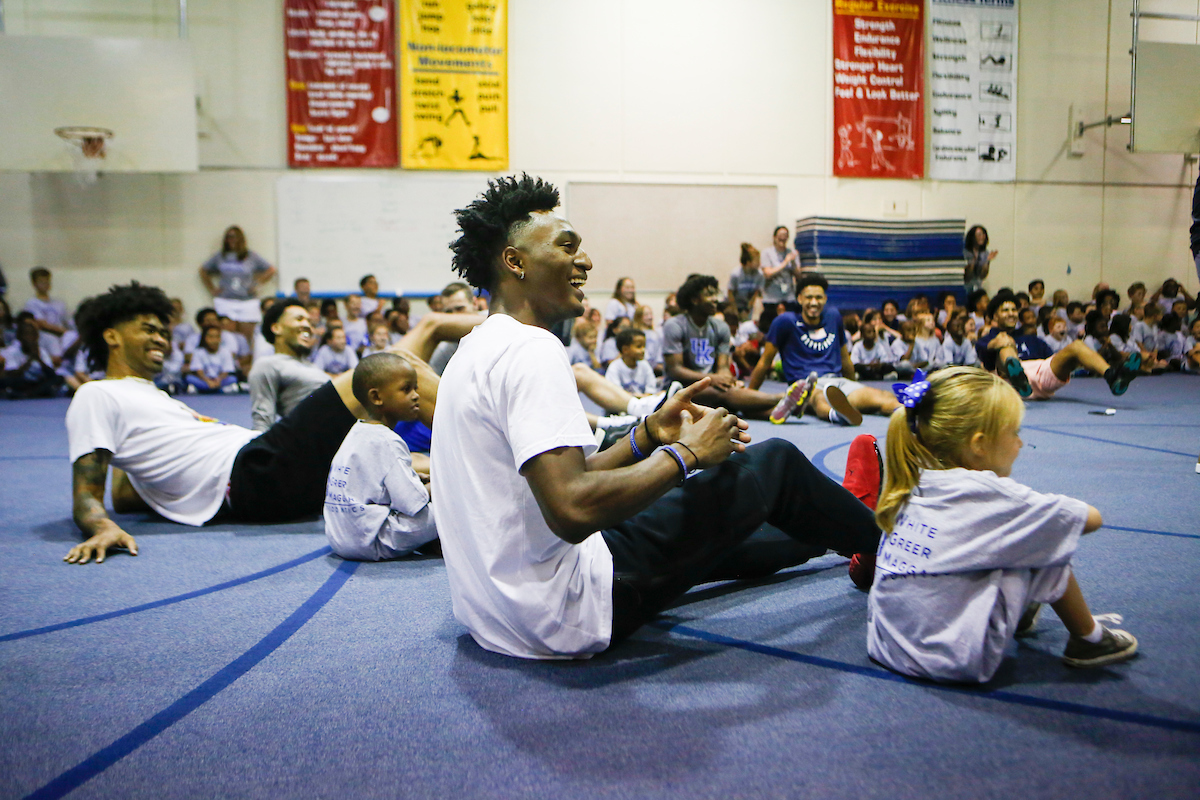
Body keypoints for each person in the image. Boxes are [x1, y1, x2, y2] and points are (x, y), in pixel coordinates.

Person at [432, 174, 880, 659]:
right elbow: (572, 509)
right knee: (773, 464)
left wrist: (647, 437)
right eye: (567, 247)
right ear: (515, 261)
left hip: (499, 615)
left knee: (736, 523)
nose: (584, 261)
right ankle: (895, 551)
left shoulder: (471, 352)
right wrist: (686, 454)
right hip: (568, 609)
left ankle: (842, 524)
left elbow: (558, 482)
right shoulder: (533, 348)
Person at [62, 282, 388, 565]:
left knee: (399, 464)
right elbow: (87, 494)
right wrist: (101, 525)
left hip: (268, 478)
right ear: (111, 336)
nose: (162, 339)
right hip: (253, 471)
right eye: (149, 329)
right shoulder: (98, 393)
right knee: (386, 368)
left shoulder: (153, 397)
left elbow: (123, 495)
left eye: (164, 332)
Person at [867, 367, 1138, 682]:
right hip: (951, 658)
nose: (1020, 443)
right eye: (1014, 432)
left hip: (887, 645)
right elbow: (1090, 519)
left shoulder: (912, 480)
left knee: (1019, 536)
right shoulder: (992, 496)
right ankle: (1090, 640)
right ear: (979, 444)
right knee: (1048, 537)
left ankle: (1021, 613)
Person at [324, 353, 437, 561]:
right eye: (406, 389)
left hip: (341, 538)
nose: (415, 396)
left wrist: (413, 478)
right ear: (377, 397)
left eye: (415, 388)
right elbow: (414, 503)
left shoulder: (357, 432)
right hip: (372, 541)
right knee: (447, 503)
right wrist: (441, 483)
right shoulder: (388, 441)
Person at [749, 273, 901, 425]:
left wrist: (853, 385)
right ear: (800, 299)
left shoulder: (833, 317)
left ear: (825, 299)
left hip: (837, 383)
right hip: (805, 387)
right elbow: (764, 362)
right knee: (818, 398)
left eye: (818, 297)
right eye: (809, 298)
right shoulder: (785, 322)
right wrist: (749, 397)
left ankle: (907, 413)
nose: (814, 302)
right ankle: (837, 415)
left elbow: (845, 359)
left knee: (883, 396)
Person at [662, 274, 793, 420]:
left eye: (715, 294)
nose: (715, 299)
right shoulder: (674, 325)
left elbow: (723, 366)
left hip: (710, 386)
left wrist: (726, 379)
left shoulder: (720, 326)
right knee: (726, 393)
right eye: (709, 295)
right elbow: (676, 370)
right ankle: (783, 398)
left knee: (733, 395)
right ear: (694, 300)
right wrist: (712, 379)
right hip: (681, 388)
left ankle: (782, 409)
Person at [977, 292, 1141, 400]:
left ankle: (1113, 377)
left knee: (1076, 346)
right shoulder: (988, 338)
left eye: (1013, 309)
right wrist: (998, 342)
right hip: (1007, 382)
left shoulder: (1032, 338)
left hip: (1040, 375)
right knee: (1006, 344)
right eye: (1005, 310)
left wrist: (1075, 360)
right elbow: (986, 354)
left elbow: (1054, 360)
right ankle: (1018, 376)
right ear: (994, 316)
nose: (1011, 313)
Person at [248, 299, 330, 431]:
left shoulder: (313, 367)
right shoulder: (268, 365)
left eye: (309, 321)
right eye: (299, 319)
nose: (308, 326)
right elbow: (262, 422)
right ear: (277, 328)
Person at [199, 226, 275, 343]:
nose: (232, 240)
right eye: (229, 237)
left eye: (234, 237)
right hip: (226, 300)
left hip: (247, 300)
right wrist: (212, 288)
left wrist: (257, 284)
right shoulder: (220, 256)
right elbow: (203, 270)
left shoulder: (250, 256)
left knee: (246, 338)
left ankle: (246, 359)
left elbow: (270, 270)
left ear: (241, 238)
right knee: (228, 337)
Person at [1, 314, 62, 398]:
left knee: (58, 379)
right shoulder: (13, 351)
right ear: (19, 337)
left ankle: (28, 394)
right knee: (7, 381)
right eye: (26, 334)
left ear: (36, 336)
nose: (29, 338)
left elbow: (51, 374)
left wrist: (38, 359)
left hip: (37, 382)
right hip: (22, 382)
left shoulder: (41, 351)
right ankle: (31, 393)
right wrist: (29, 361)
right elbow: (12, 373)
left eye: (32, 335)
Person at [24, 267, 72, 358]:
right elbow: (42, 324)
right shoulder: (32, 303)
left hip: (62, 334)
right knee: (52, 339)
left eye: (47, 281)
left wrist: (71, 332)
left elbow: (68, 321)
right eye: (41, 282)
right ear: (34, 284)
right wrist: (64, 331)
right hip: (46, 335)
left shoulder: (59, 303)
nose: (45, 284)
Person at [760, 226, 800, 331]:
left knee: (789, 326)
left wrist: (793, 264)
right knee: (771, 328)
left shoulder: (791, 253)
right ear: (774, 237)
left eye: (785, 235)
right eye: (780, 235)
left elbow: (799, 276)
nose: (783, 238)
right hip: (771, 297)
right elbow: (767, 273)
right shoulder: (767, 253)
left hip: (788, 297)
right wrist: (785, 262)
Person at [187, 325, 239, 394]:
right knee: (189, 378)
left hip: (220, 380)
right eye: (211, 337)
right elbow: (199, 371)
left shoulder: (226, 352)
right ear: (205, 338)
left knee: (232, 379)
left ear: (220, 339)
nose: (214, 340)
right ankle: (219, 389)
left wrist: (218, 380)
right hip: (204, 380)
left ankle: (205, 389)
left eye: (217, 337)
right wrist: (208, 381)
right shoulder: (198, 352)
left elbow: (225, 371)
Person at [605, 328, 657, 396]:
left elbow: (651, 391)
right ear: (625, 350)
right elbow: (616, 395)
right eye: (639, 346)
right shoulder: (614, 368)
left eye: (644, 346)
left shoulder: (645, 365)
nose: (643, 350)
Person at [727, 243, 765, 311]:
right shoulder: (736, 274)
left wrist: (749, 308)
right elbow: (730, 293)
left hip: (749, 307)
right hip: (735, 305)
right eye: (757, 261)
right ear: (748, 262)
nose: (759, 263)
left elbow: (757, 292)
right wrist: (735, 310)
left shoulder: (759, 274)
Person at [963, 225, 997, 295]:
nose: (982, 237)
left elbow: (982, 275)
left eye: (983, 235)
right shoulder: (965, 252)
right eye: (979, 235)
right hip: (965, 287)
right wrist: (972, 262)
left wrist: (987, 261)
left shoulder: (984, 253)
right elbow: (967, 276)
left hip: (978, 287)